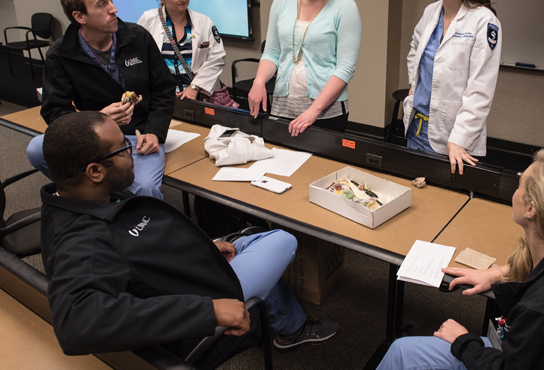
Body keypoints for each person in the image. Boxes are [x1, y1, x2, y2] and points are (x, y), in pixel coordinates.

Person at [40, 111, 339, 365]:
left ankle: (291, 325)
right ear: (94, 171)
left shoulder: (92, 197)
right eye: (122, 149)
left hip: (182, 271)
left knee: (251, 238)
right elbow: (77, 325)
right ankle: (292, 328)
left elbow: (137, 252)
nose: (132, 154)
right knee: (283, 240)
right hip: (201, 296)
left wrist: (202, 247)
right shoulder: (82, 241)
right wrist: (209, 311)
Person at [377, 149, 544, 370]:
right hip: (535, 352)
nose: (515, 190)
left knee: (401, 352)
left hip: (513, 357)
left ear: (531, 209)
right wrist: (499, 272)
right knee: (403, 351)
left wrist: (462, 341)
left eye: (520, 184)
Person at [26, 0, 175, 199]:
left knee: (145, 189)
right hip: (92, 138)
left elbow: (164, 89)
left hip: (138, 136)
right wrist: (97, 119)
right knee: (36, 149)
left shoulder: (138, 38)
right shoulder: (61, 54)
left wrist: (154, 132)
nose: (113, 9)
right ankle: (90, 197)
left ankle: (132, 218)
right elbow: (54, 112)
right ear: (79, 16)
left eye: (111, 0)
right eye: (102, 4)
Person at [403, 0, 502, 175]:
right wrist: (414, 86)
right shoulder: (431, 12)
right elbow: (414, 49)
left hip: (454, 139)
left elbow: (480, 90)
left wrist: (459, 138)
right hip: (417, 127)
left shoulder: (484, 21)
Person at [248, 0, 362, 136]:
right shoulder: (281, 2)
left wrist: (313, 111)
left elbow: (345, 68)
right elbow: (272, 52)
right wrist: (258, 82)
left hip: (326, 112)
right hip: (283, 106)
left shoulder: (345, 7)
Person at [137, 0, 238, 108]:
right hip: (163, 100)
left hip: (199, 97)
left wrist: (195, 87)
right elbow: (139, 58)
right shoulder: (149, 19)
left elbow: (217, 58)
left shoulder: (204, 22)